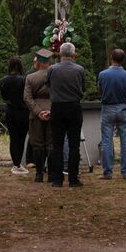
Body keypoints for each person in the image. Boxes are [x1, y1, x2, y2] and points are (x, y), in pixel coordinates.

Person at [46, 42, 86, 188]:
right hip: (74, 106)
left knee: (57, 144)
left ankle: (57, 179)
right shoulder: (80, 69)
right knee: (74, 145)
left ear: (60, 54)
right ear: (73, 54)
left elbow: (48, 85)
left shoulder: (52, 69)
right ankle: (73, 179)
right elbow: (83, 88)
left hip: (57, 107)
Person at [98, 48, 126, 180]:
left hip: (107, 107)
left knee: (107, 140)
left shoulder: (103, 74)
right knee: (125, 140)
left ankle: (107, 172)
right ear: (123, 60)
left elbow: (100, 90)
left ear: (111, 58)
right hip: (122, 107)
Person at [24, 48, 54, 182]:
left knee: (37, 144)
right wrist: (50, 110)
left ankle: (39, 174)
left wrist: (38, 111)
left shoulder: (30, 77)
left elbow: (27, 97)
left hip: (36, 115)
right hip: (52, 113)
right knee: (51, 144)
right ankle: (52, 174)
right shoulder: (55, 76)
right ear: (49, 61)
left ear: (38, 62)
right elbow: (60, 94)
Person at [0, 56, 30, 176]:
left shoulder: (4, 80)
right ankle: (18, 164)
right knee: (21, 138)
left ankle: (15, 163)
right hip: (23, 111)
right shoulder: (24, 80)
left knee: (13, 138)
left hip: (10, 111)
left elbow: (4, 97)